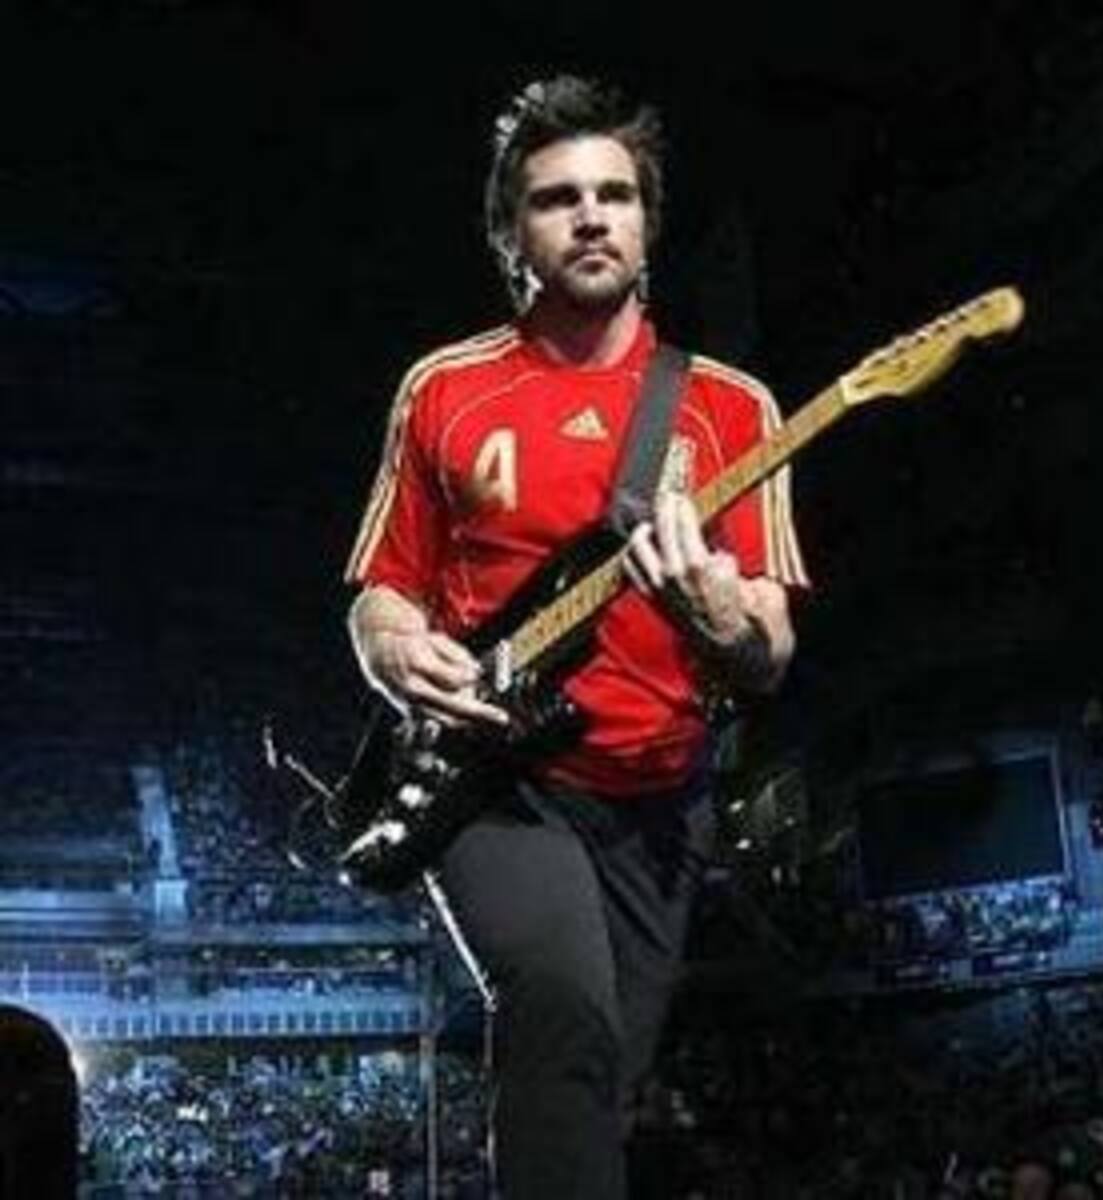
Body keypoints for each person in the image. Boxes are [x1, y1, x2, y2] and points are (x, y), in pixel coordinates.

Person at [343, 74, 806, 1199]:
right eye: (557, 198)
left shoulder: (734, 409)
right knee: (558, 1012)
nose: (591, 216)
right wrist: (397, 653)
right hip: (501, 776)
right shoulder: (444, 390)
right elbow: (380, 595)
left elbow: (770, 651)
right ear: (513, 232)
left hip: (660, 794)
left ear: (647, 224)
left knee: (603, 1081)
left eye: (616, 194)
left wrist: (717, 614)